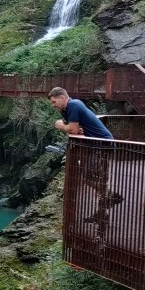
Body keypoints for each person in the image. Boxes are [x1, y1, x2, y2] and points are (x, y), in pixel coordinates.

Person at [47, 87, 122, 222]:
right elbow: (75, 128)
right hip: (97, 145)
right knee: (96, 178)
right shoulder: (68, 108)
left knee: (89, 177)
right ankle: (102, 213)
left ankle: (112, 196)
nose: (53, 105)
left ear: (63, 98)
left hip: (101, 145)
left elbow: (73, 130)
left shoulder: (73, 105)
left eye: (54, 102)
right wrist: (71, 127)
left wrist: (60, 125)